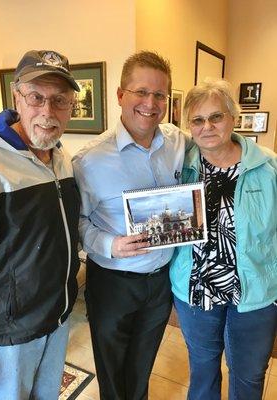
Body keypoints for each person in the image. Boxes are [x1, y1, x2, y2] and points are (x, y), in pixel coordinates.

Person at [73, 51, 188, 400]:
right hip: (112, 283)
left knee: (142, 366)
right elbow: (77, 222)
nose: (150, 104)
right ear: (121, 95)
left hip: (160, 282)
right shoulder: (89, 161)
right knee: (112, 371)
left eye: (159, 95)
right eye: (141, 92)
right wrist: (111, 244)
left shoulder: (178, 142)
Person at [0, 50, 81, 400]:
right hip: (10, 329)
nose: (48, 113)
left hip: (58, 314)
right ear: (17, 98)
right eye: (37, 97)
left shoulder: (61, 156)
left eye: (60, 100)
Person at [170, 78, 277, 400]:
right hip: (195, 292)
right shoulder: (180, 167)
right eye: (198, 120)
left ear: (232, 117)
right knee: (202, 370)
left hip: (254, 293)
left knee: (248, 375)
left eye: (216, 116)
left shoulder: (267, 167)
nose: (207, 127)